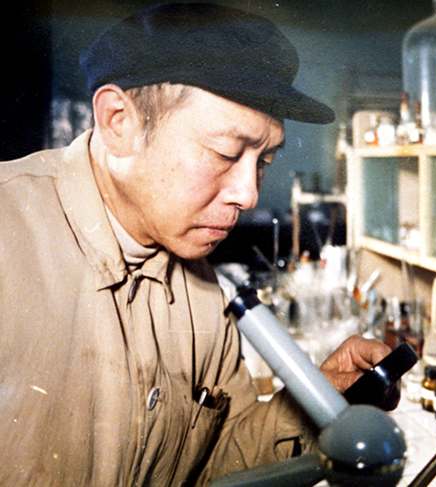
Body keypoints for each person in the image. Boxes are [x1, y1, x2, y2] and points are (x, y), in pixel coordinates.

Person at [0, 3, 391, 485]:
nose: (248, 195)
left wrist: (316, 397)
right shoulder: (8, 236)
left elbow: (216, 462)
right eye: (225, 153)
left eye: (263, 161)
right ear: (119, 121)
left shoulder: (204, 292)